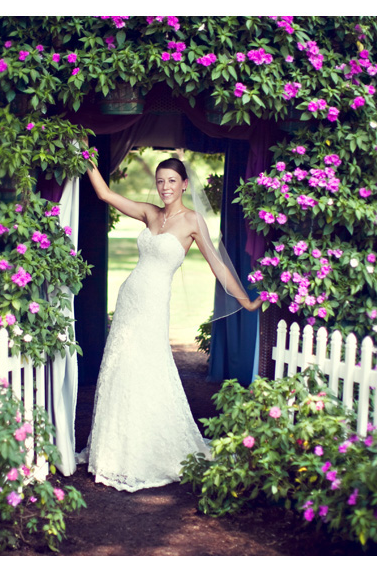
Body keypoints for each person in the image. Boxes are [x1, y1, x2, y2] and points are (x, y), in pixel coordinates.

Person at [80, 154, 260, 492]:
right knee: (119, 367)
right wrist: (85, 154)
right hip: (129, 300)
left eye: (171, 181)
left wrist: (247, 301)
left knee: (148, 368)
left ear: (184, 185)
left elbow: (219, 266)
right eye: (160, 181)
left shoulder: (192, 221)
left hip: (153, 305)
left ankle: (147, 450)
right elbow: (105, 194)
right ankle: (114, 452)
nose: (164, 187)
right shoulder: (150, 213)